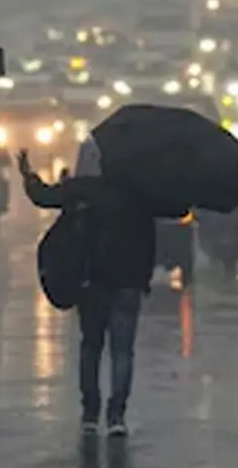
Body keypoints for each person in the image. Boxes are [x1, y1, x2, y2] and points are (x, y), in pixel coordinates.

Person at [17, 137, 156, 437]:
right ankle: (116, 415)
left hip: (91, 283)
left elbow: (43, 196)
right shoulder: (137, 195)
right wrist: (143, 278)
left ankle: (90, 414)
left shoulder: (81, 190)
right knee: (122, 352)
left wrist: (28, 174)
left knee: (91, 348)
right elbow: (149, 240)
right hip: (128, 283)